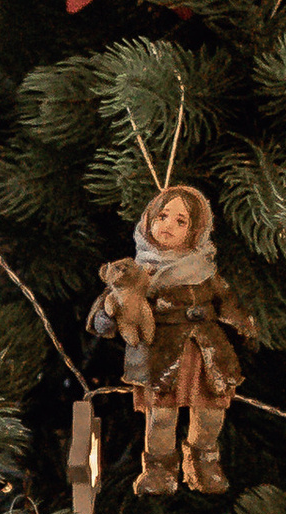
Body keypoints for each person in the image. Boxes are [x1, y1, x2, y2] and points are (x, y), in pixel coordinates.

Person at [90, 183, 256, 497]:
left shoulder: (204, 270)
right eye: (163, 216)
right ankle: (159, 469)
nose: (168, 225)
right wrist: (107, 315)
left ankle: (203, 459)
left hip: (206, 352)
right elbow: (113, 300)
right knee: (161, 417)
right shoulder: (138, 270)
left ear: (197, 231)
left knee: (210, 412)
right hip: (159, 355)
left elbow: (225, 298)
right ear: (148, 220)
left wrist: (240, 319)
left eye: (181, 221)